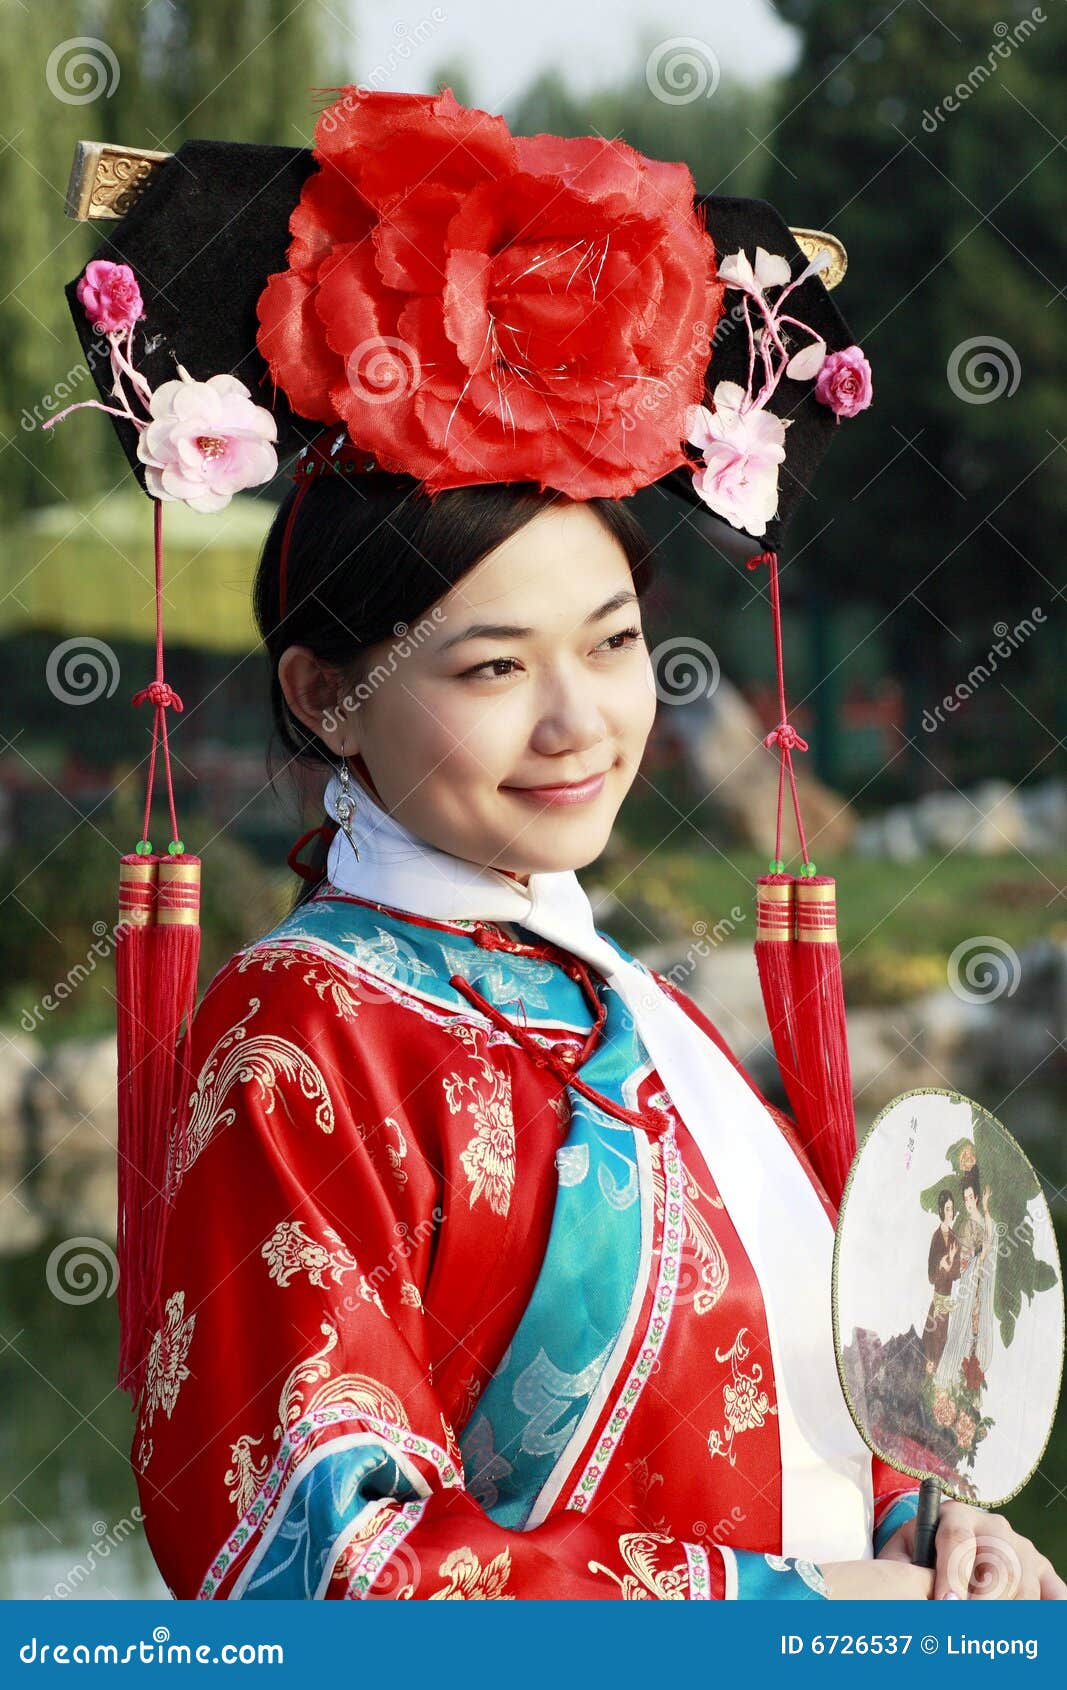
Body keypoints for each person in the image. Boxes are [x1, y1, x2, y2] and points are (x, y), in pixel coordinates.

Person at [48, 85, 1065, 1602]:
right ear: (328, 694)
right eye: (487, 667)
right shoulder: (300, 1040)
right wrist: (785, 1613)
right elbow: (327, 1564)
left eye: (608, 643)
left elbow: (794, 1439)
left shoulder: (638, 1008)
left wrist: (931, 1537)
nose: (577, 722)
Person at [923, 1190, 962, 1375]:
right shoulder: (935, 1238)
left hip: (948, 1300)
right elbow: (931, 1277)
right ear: (941, 1210)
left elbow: (957, 1273)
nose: (950, 1213)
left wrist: (950, 1263)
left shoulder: (955, 1239)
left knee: (944, 1343)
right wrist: (943, 1265)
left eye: (952, 1209)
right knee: (931, 1344)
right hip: (937, 1300)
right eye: (947, 1209)